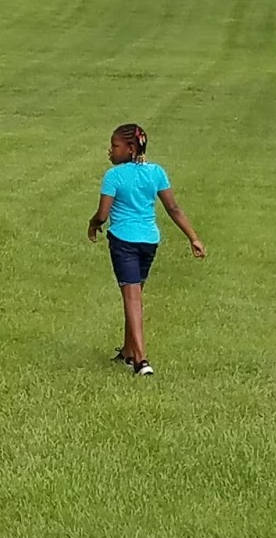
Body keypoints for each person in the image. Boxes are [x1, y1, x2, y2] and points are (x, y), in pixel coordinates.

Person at [86, 123, 206, 375]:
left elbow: (103, 214)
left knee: (132, 298)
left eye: (115, 146)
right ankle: (128, 351)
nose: (110, 150)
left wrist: (93, 224)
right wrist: (193, 238)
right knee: (135, 293)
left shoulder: (114, 176)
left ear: (130, 148)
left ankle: (141, 360)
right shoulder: (156, 172)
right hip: (149, 241)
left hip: (124, 240)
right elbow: (173, 208)